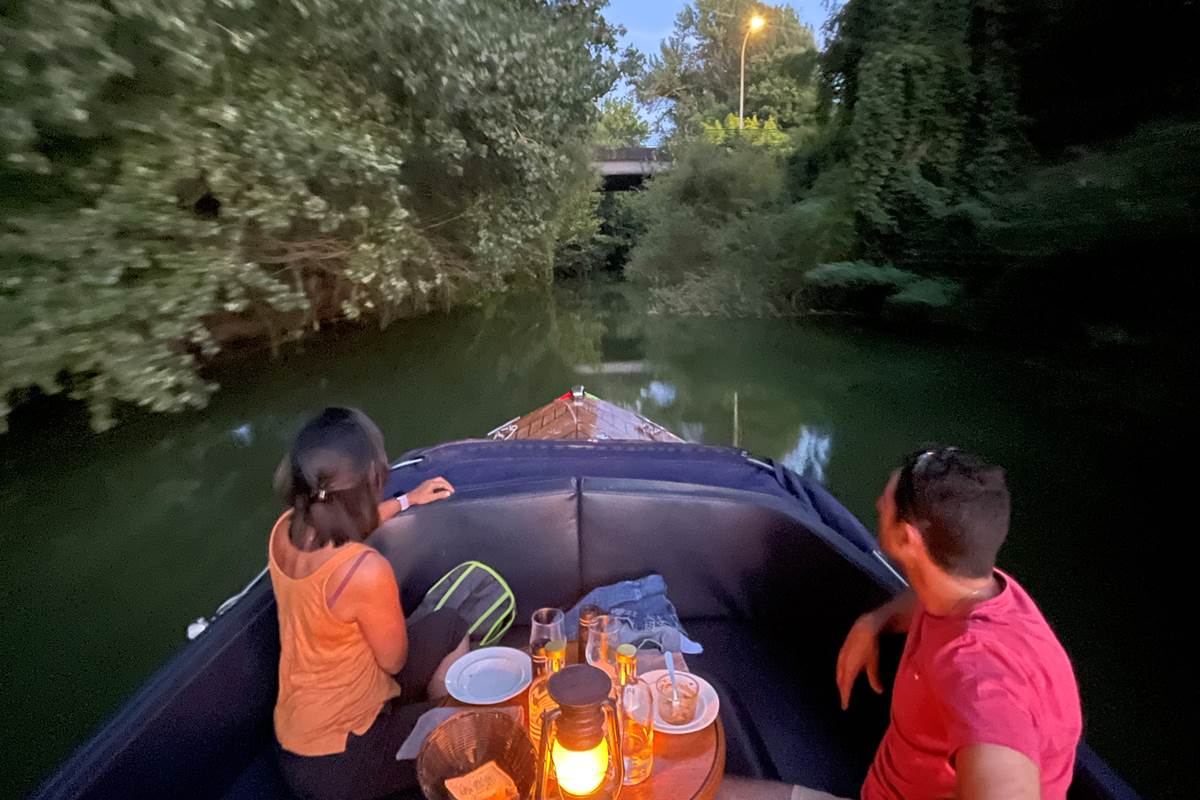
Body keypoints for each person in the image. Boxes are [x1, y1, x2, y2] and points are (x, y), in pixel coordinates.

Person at [719, 447, 1082, 800]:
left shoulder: (979, 677)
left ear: (908, 538)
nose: (878, 505)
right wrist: (877, 619)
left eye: (884, 503)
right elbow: (926, 597)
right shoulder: (976, 589)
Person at [269, 407, 468, 800]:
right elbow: (393, 661)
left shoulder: (287, 529)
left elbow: (340, 524)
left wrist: (407, 501)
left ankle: (419, 725)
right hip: (340, 758)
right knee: (468, 731)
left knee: (450, 624)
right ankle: (433, 743)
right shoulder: (363, 570)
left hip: (297, 735)